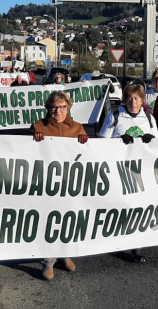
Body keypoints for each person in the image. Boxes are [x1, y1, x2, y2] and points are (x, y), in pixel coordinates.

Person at [30, 91, 89, 280]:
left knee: (67, 220)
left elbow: (90, 155)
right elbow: (24, 154)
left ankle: (65, 254)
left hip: (70, 183)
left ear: (68, 108)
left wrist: (85, 142)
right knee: (49, 221)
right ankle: (48, 262)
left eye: (62, 107)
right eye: (54, 107)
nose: (58, 111)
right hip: (47, 183)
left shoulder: (78, 127)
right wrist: (34, 139)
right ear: (48, 108)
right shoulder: (38, 126)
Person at [98, 83, 158, 263]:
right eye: (130, 98)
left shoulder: (149, 119)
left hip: (141, 171)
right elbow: (101, 142)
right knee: (120, 206)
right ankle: (114, 236)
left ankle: (136, 246)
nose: (133, 102)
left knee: (139, 207)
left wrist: (149, 141)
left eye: (137, 98)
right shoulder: (115, 117)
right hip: (119, 170)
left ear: (142, 101)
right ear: (126, 100)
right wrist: (118, 143)